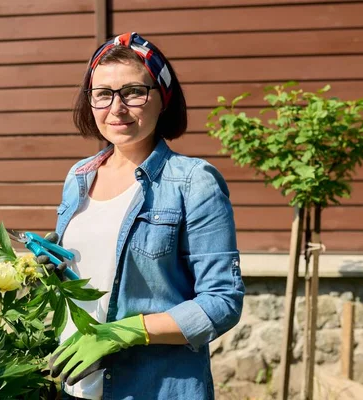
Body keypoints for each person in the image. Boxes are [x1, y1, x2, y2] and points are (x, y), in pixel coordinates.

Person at [47, 32, 245, 400]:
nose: (116, 108)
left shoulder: (193, 182)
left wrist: (121, 333)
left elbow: (222, 301)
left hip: (154, 388)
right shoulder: (79, 176)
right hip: (76, 386)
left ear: (162, 99)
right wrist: (51, 266)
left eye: (134, 92)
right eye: (103, 94)